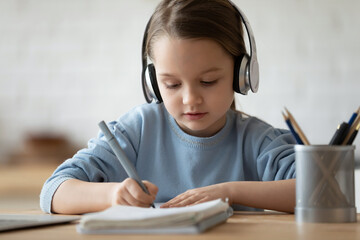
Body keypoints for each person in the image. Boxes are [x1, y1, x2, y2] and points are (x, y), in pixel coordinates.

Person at [40, 0, 296, 215]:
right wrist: (113, 194)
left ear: (242, 75)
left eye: (207, 81)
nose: (190, 99)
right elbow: (54, 191)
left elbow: (324, 190)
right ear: (153, 82)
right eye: (172, 84)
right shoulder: (136, 130)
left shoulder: (258, 141)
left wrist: (228, 192)